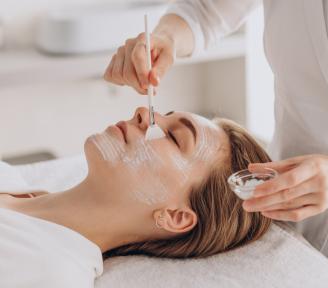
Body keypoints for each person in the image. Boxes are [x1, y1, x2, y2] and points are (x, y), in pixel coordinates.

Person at [104, 1, 328, 287]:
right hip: (287, 197)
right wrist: (167, 38)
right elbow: (206, 10)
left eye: (177, 138)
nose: (142, 114)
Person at [0, 107, 272, 287]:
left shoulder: (47, 272)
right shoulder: (8, 176)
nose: (144, 112)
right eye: (164, 114)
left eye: (175, 138)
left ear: (176, 216)